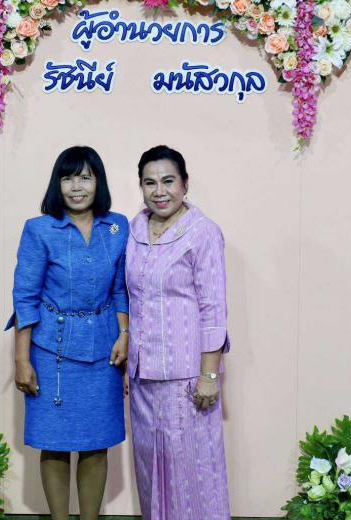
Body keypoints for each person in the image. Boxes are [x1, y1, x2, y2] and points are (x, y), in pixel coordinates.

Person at [5, 146, 130, 520]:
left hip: (105, 352)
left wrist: (125, 334)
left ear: (98, 182)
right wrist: (22, 359)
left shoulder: (117, 227)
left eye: (85, 177)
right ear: (57, 184)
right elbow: (25, 297)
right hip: (51, 353)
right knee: (55, 444)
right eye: (68, 178)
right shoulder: (39, 229)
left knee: (97, 443)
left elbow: (121, 289)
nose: (77, 187)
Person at [125, 145, 231, 520]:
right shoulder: (132, 230)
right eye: (150, 183)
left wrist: (209, 376)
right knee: (150, 472)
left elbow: (213, 307)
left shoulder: (203, 233)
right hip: (143, 378)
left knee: (191, 475)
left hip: (187, 378)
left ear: (185, 184)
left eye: (168, 181)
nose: (160, 191)